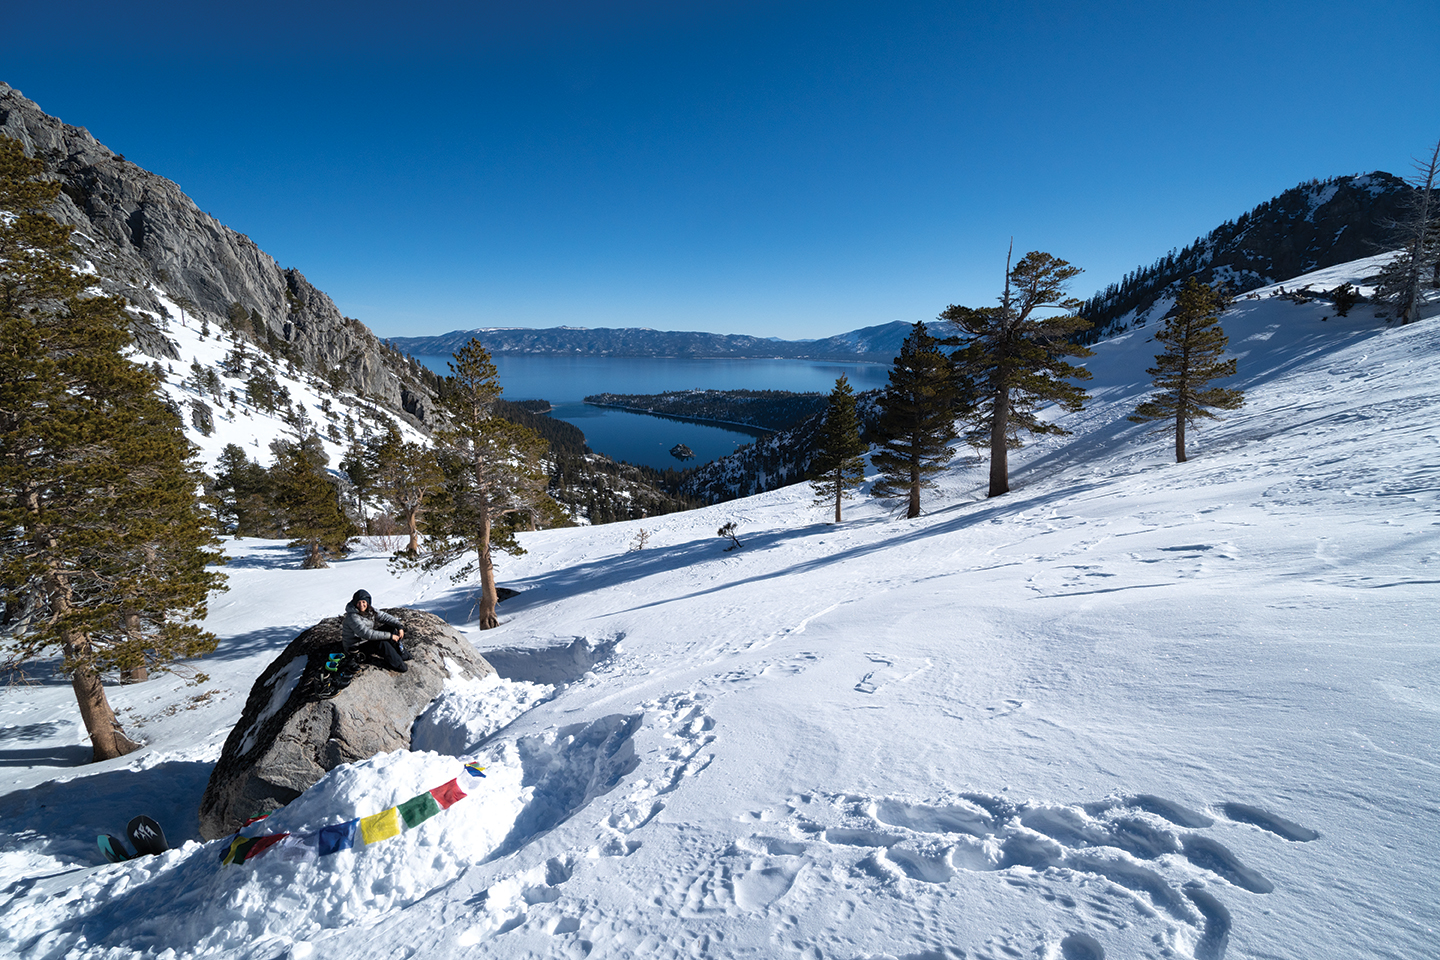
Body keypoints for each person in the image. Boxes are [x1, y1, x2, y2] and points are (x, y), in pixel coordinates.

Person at [342, 589, 411, 672]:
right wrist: (390, 636)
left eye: (364, 602)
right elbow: (366, 633)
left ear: (368, 602)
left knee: (391, 628)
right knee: (381, 643)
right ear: (355, 603)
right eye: (358, 602)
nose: (361, 605)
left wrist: (399, 626)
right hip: (356, 647)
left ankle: (402, 653)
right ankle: (399, 665)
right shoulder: (352, 617)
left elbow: (384, 617)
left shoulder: (370, 610)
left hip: (365, 640)